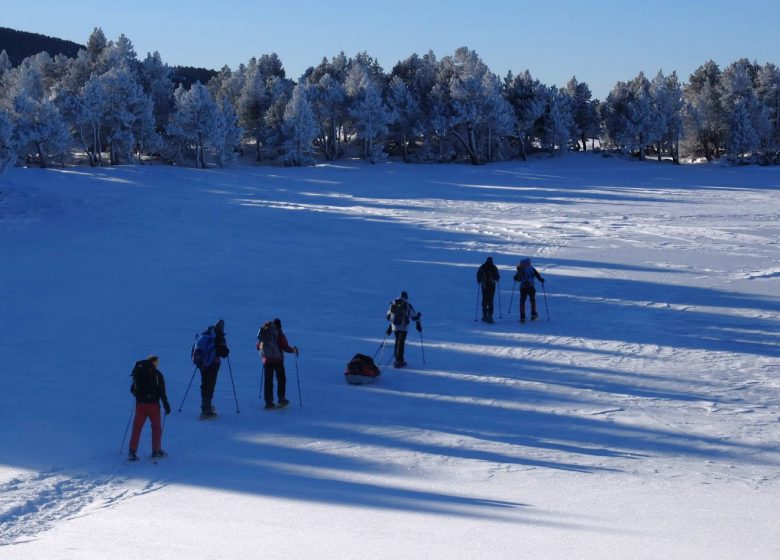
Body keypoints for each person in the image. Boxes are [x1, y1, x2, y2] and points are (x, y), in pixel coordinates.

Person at [128, 355, 171, 461]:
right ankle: (156, 451)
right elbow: (162, 392)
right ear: (154, 363)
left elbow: (132, 389)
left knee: (137, 428)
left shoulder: (139, 372)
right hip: (153, 406)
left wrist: (139, 395)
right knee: (156, 428)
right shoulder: (157, 374)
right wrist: (166, 405)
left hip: (140, 405)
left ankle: (132, 451)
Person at [258, 318, 298, 410]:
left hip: (266, 360)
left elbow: (258, 345)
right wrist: (293, 350)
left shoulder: (264, 331)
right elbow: (284, 346)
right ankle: (281, 399)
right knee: (281, 379)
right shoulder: (278, 332)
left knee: (268, 381)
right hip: (277, 360)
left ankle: (269, 403)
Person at [196, 319, 230, 418]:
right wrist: (226, 351)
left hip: (202, 364)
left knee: (204, 383)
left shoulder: (206, 333)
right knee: (210, 385)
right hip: (212, 365)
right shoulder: (219, 336)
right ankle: (207, 408)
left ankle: (204, 406)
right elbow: (222, 352)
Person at [385, 291, 422, 368]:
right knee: (401, 343)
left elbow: (388, 316)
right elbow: (413, 317)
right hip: (404, 327)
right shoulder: (408, 305)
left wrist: (391, 326)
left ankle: (396, 359)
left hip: (394, 326)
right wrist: (418, 315)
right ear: (406, 297)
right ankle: (399, 361)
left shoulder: (393, 303)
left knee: (397, 341)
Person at [513, 258, 545, 323]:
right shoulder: (531, 269)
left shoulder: (520, 269)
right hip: (531, 287)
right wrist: (541, 279)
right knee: (532, 300)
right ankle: (533, 314)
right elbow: (537, 275)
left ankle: (522, 317)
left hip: (523, 288)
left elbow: (516, 278)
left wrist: (515, 278)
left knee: (522, 301)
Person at [476, 256, 500, 323]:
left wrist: (479, 280)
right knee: (490, 300)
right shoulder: (493, 267)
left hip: (484, 286)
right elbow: (497, 277)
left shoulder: (483, 267)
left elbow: (478, 275)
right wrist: (497, 278)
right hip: (491, 285)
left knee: (485, 299)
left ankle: (485, 315)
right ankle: (489, 315)